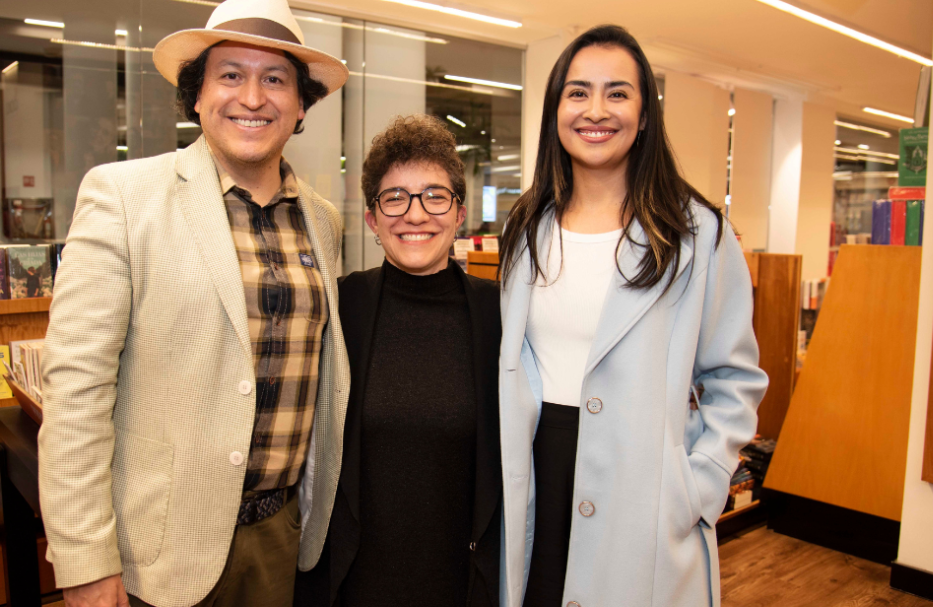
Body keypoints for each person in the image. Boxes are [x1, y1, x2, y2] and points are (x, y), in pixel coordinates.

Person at [37, 0, 351, 606]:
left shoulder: (322, 221)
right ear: (198, 94)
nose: (252, 97)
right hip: (157, 550)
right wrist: (84, 564)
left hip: (280, 536)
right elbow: (76, 390)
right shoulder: (124, 197)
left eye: (276, 78)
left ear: (301, 103)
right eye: (230, 74)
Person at [497, 25, 769, 607]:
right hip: (536, 477)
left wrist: (698, 483)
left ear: (644, 115)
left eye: (618, 93)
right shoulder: (526, 227)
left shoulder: (698, 235)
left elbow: (735, 378)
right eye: (578, 92)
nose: (596, 110)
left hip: (645, 492)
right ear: (555, 111)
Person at [294, 115, 502, 607]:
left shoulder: (499, 316)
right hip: (354, 582)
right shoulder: (339, 309)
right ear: (371, 218)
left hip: (462, 581)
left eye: (434, 196)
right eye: (395, 198)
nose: (415, 215)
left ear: (459, 214)